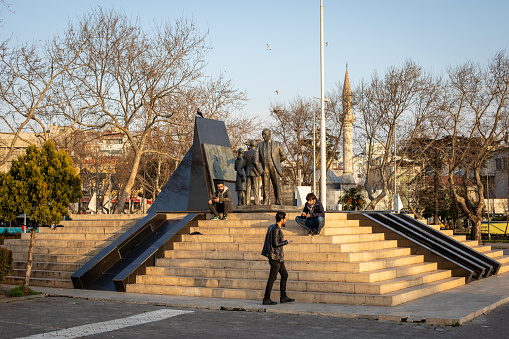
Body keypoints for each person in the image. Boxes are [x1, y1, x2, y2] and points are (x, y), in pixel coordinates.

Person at [261, 211, 295, 305]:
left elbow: (274, 241)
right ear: (281, 220)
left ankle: (283, 297)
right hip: (275, 257)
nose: (286, 221)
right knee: (272, 277)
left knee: (284, 275)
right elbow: (275, 244)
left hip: (278, 257)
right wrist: (286, 242)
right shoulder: (276, 229)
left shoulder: (272, 227)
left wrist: (282, 241)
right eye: (285, 219)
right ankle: (266, 298)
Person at [258, 128, 286, 205]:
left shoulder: (277, 144)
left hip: (274, 168)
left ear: (269, 135)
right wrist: (261, 169)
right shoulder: (260, 145)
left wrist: (276, 162)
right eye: (262, 135)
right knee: (265, 187)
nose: (263, 136)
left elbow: (283, 156)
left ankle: (278, 200)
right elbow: (257, 159)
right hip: (265, 169)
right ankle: (266, 201)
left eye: (265, 135)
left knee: (276, 185)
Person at [244, 140, 263, 205]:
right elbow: (255, 162)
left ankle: (247, 202)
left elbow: (244, 164)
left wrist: (246, 170)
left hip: (248, 172)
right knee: (256, 187)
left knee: (248, 188)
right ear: (256, 145)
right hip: (254, 172)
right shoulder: (256, 152)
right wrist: (260, 171)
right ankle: (257, 202)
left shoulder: (246, 153)